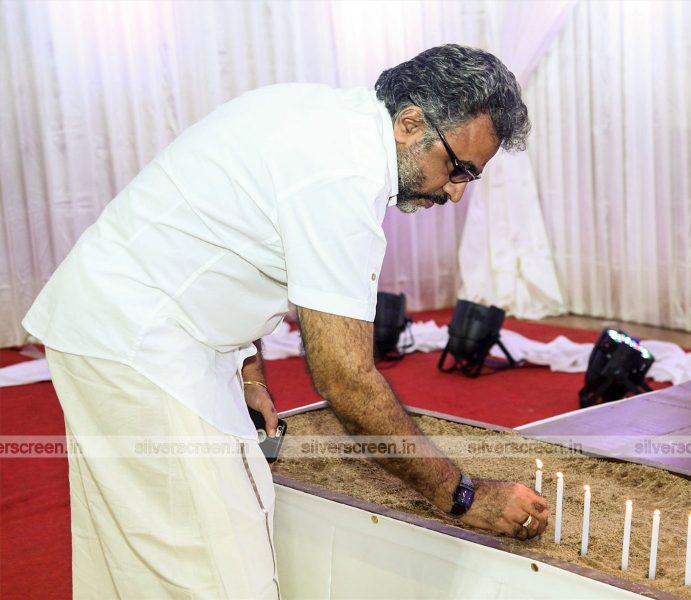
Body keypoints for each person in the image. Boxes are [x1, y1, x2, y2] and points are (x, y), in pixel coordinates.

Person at [23, 44, 549, 598]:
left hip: (108, 327)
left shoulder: (316, 113)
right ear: (410, 122)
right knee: (222, 571)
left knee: (135, 559)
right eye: (458, 167)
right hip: (142, 346)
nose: (457, 190)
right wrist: (462, 495)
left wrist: (249, 375)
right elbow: (347, 381)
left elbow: (226, 235)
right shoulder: (345, 179)